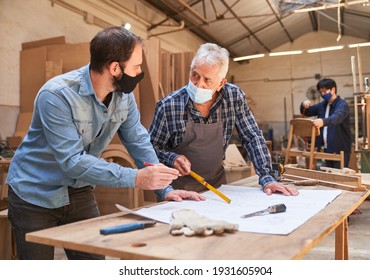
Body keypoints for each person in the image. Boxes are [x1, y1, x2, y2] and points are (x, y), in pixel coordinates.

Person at [6, 26, 204, 260]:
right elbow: (72, 161)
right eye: (137, 67)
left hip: (78, 191)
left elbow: (137, 139)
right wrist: (135, 178)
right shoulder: (56, 95)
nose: (140, 73)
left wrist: (164, 189)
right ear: (114, 68)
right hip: (35, 193)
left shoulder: (124, 97)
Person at [149, 43, 299, 196]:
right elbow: (152, 146)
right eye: (195, 74)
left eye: (207, 80)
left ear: (221, 83)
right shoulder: (169, 105)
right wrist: (171, 157)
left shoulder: (233, 97)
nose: (198, 84)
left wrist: (267, 177)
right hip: (177, 190)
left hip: (216, 187)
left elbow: (252, 137)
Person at [300, 78, 352, 168]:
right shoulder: (323, 105)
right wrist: (304, 105)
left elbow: (336, 118)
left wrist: (323, 122)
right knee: (329, 175)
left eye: (324, 91)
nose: (322, 94)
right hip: (327, 149)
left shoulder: (342, 105)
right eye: (321, 92)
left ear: (333, 90)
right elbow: (307, 112)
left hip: (340, 149)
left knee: (339, 177)